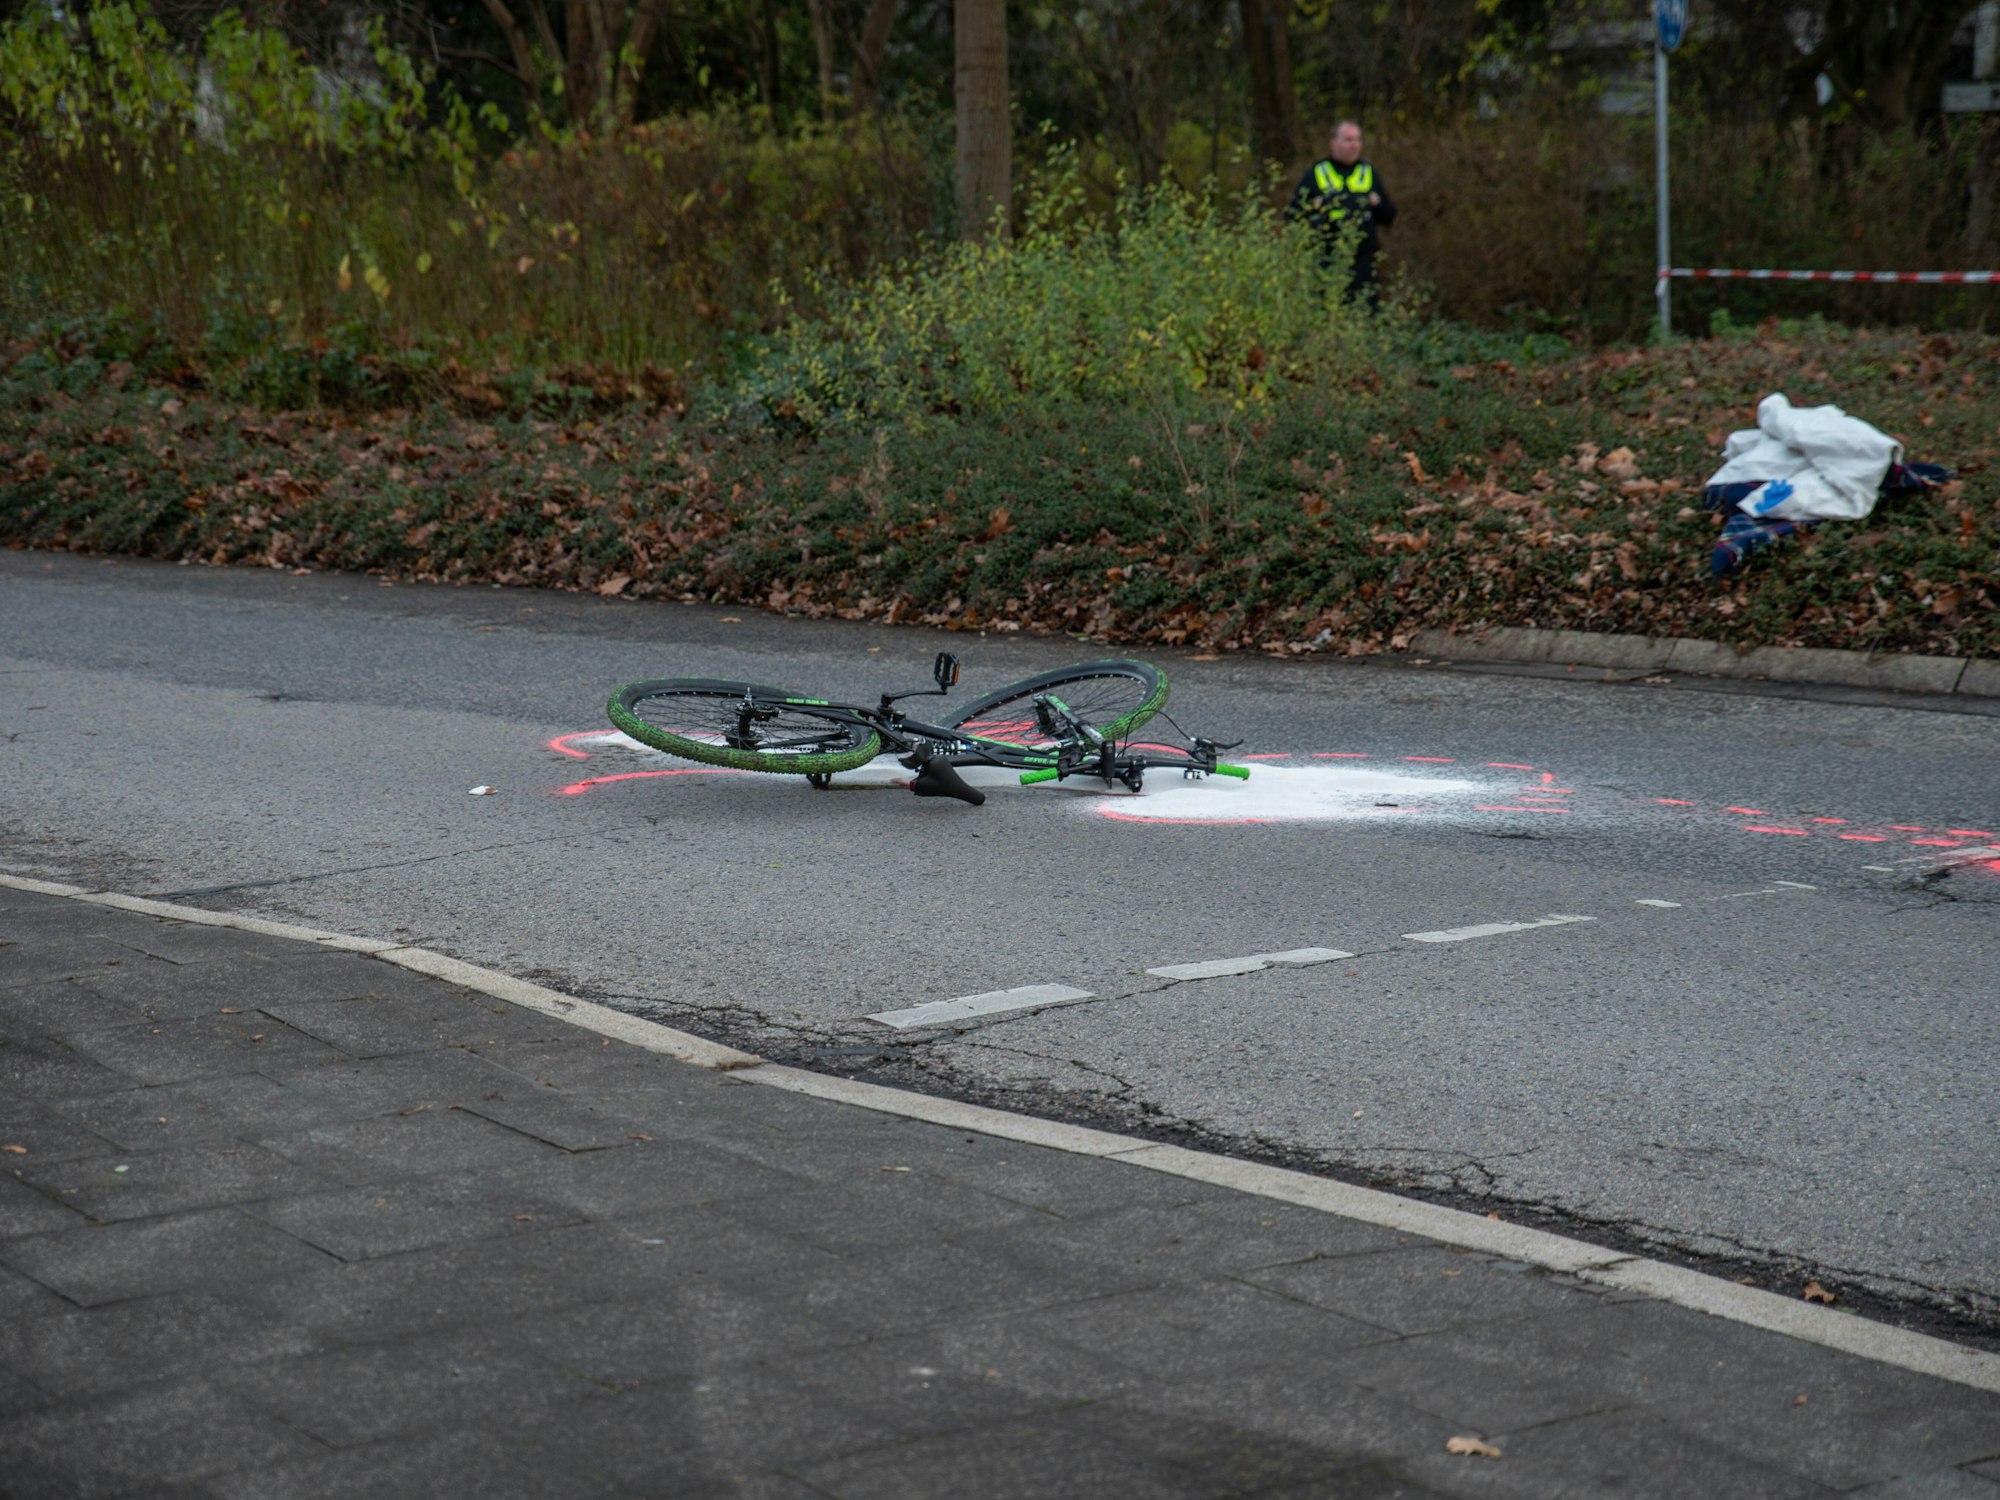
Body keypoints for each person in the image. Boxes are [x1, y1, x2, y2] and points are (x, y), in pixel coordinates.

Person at [1287, 120, 1397, 308]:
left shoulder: (1368, 172)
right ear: (1333, 142)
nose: (1354, 145)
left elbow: (1389, 216)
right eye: (1348, 140)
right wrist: (1316, 206)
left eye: (1358, 140)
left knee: (1366, 315)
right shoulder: (1316, 173)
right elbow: (1293, 215)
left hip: (1362, 262)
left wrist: (1376, 204)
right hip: (1326, 260)